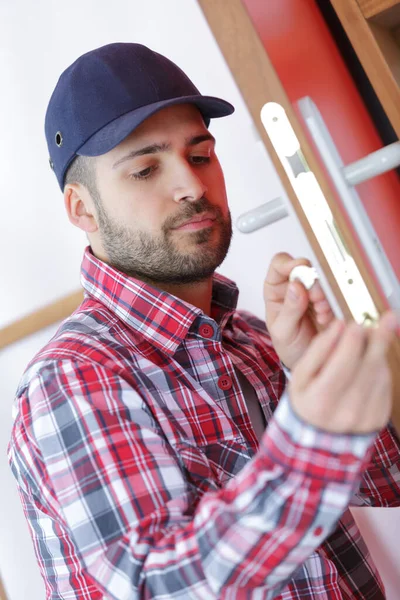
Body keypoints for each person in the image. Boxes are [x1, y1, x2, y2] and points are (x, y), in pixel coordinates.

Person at [8, 42, 399, 600]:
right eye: (145, 169)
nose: (192, 186)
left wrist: (308, 368)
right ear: (82, 208)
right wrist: (307, 437)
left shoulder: (255, 339)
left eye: (200, 155)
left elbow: (387, 483)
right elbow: (161, 587)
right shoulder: (73, 379)